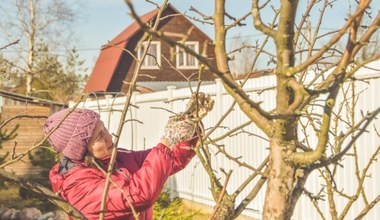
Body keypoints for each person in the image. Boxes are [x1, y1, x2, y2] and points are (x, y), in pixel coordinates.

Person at [44, 108, 201, 220]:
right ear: (81, 149)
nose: (109, 136)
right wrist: (167, 141)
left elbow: (168, 160)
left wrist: (190, 126)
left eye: (104, 127)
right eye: (99, 136)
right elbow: (136, 195)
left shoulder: (118, 158)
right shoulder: (78, 187)